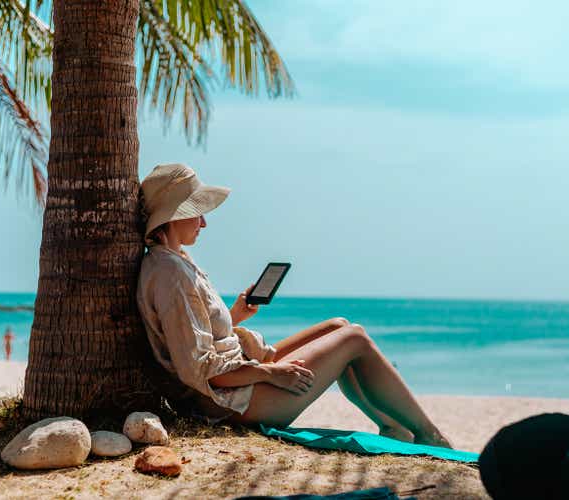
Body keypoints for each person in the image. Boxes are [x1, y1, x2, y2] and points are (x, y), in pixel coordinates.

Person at [136, 163, 451, 447]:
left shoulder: (175, 260)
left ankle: (394, 428)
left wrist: (234, 317)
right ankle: (430, 435)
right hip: (230, 403)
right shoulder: (170, 273)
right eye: (197, 211)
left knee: (339, 326)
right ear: (175, 213)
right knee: (354, 338)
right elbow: (203, 369)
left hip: (237, 379)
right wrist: (273, 374)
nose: (204, 222)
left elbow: (195, 338)